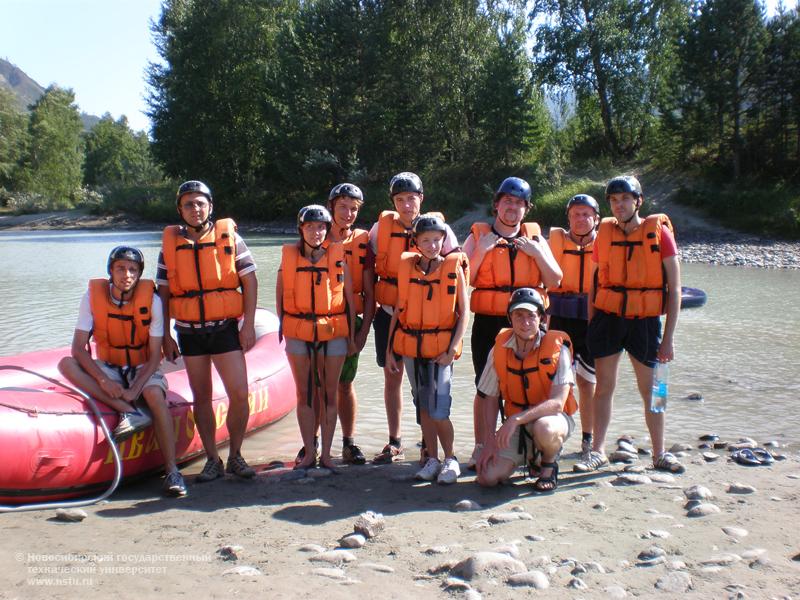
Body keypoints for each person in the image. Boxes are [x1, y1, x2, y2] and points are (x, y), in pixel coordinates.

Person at [574, 175, 683, 473]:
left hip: (646, 322)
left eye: (625, 199)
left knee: (656, 389)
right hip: (609, 319)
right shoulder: (605, 233)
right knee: (603, 387)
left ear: (638, 201)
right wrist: (593, 320)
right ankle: (597, 451)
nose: (619, 205)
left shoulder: (660, 234)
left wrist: (669, 338)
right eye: (613, 200)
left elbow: (674, 290)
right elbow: (593, 284)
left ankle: (660, 452)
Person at [58, 246, 186, 497]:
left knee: (155, 397)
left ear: (139, 274)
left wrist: (135, 388)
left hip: (142, 365)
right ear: (110, 271)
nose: (126, 275)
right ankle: (130, 413)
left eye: (132, 270)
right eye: (120, 268)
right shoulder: (91, 297)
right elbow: (78, 349)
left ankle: (172, 471)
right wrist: (104, 381)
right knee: (65, 364)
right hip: (109, 365)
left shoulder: (153, 300)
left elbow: (154, 356)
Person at [157, 180, 258, 483]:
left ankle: (236, 454)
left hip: (224, 327)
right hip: (189, 332)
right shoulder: (169, 248)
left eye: (200, 203)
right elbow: (162, 294)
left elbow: (250, 282)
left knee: (239, 393)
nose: (195, 209)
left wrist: (248, 324)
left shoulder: (231, 239)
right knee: (202, 396)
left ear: (210, 207)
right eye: (188, 204)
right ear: (180, 209)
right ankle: (213, 459)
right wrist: (164, 336)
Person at [462, 177, 562, 469]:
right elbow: (462, 280)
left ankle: (532, 447)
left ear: (526, 209)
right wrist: (482, 251)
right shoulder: (478, 236)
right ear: (496, 205)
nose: (513, 208)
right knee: (485, 387)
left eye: (519, 204)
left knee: (532, 382)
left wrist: (537, 253)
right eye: (508, 202)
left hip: (529, 322)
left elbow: (555, 280)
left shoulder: (534, 238)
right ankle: (482, 446)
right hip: (489, 322)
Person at [369, 172, 459, 464]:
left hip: (430, 319)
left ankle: (427, 443)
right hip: (389, 313)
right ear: (393, 202)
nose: (406, 205)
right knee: (392, 375)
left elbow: (456, 272)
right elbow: (370, 269)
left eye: (411, 198)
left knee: (428, 383)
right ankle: (395, 440)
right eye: (400, 200)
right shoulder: (379, 230)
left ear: (422, 198)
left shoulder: (439, 230)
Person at [385, 215, 469, 484]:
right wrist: (390, 350)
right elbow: (398, 311)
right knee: (423, 405)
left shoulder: (453, 268)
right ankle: (432, 458)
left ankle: (451, 459)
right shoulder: (408, 268)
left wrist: (452, 348)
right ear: (416, 242)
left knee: (439, 409)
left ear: (444, 240)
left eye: (436, 240)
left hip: (440, 349)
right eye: (426, 240)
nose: (432, 245)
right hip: (412, 348)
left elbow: (464, 314)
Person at [277, 205, 356, 471]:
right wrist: (284, 329)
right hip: (299, 331)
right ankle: (310, 452)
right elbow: (280, 298)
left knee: (330, 393)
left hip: (332, 330)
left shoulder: (338, 258)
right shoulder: (288, 258)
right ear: (301, 229)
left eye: (321, 226)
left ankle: (327, 455)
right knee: (305, 394)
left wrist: (353, 337)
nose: (316, 232)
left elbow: (349, 301)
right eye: (310, 227)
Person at [475, 288, 577, 492]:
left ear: (541, 318)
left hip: (551, 420)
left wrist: (516, 420)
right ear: (510, 318)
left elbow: (557, 403)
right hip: (517, 428)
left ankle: (548, 464)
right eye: (518, 315)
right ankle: (529, 458)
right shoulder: (499, 349)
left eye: (531, 316)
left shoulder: (559, 350)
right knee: (486, 477)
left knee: (545, 428)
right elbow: (490, 397)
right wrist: (488, 441)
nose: (525, 322)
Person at [547, 194, 601, 463]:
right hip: (560, 319)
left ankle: (588, 441)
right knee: (556, 381)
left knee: (587, 382)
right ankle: (553, 438)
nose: (581, 219)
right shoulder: (555, 243)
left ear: (596, 219)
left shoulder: (606, 244)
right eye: (576, 214)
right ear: (568, 218)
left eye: (586, 214)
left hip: (591, 319)